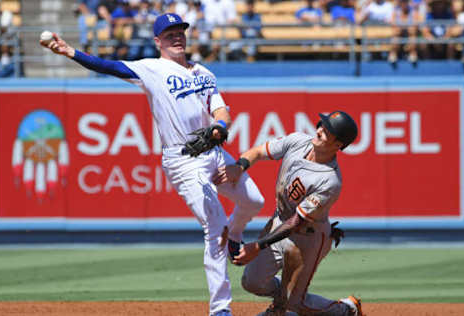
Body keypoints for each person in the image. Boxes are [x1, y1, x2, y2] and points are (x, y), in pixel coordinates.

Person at [40, 13, 265, 316]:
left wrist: (220, 128)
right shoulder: (151, 69)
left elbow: (221, 109)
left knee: (254, 200)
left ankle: (235, 235)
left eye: (180, 31)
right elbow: (108, 66)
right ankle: (221, 309)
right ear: (157, 41)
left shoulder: (204, 72)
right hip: (184, 161)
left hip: (213, 153)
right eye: (169, 33)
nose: (177, 37)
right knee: (214, 227)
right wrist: (71, 53)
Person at [213, 111, 363, 316]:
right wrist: (239, 167)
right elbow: (258, 151)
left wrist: (257, 246)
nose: (320, 130)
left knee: (294, 306)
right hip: (279, 222)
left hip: (307, 238)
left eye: (328, 131)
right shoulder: (298, 141)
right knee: (252, 282)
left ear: (338, 145)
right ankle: (282, 301)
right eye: (322, 125)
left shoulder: (330, 181)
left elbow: (296, 222)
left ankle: (346, 309)